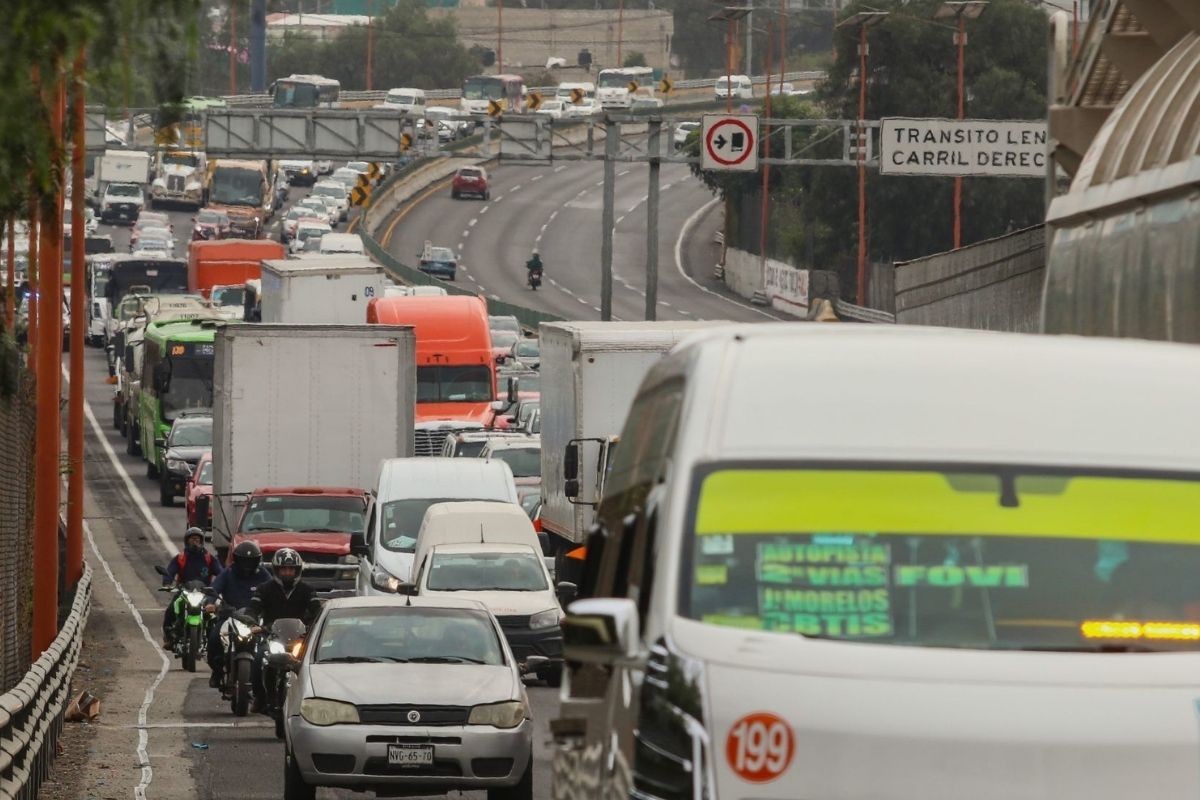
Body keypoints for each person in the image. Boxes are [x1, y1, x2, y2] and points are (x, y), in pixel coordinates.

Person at [205, 541, 271, 688]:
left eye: (251, 561)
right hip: (229, 616)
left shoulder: (263, 575)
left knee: (270, 645)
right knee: (214, 639)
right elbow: (214, 589)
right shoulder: (228, 573)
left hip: (255, 619)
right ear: (236, 559)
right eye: (243, 561)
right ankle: (217, 672)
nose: (247, 565)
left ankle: (265, 680)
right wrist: (209, 603)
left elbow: (273, 590)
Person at [161, 527, 219, 649]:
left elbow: (222, 573)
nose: (195, 542)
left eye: (197, 539)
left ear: (202, 541)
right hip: (184, 591)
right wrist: (167, 582)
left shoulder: (209, 558)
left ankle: (214, 640)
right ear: (187, 541)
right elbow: (170, 571)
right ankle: (169, 637)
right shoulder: (180, 558)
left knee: (216, 614)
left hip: (204, 593)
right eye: (192, 539)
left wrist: (220, 586)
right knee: (171, 610)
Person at [249, 548, 322, 629]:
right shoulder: (263, 589)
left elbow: (318, 612)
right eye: (283, 569)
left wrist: (312, 626)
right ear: (276, 570)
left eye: (291, 569)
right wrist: (251, 622)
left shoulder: (308, 590)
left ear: (297, 570)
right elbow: (252, 610)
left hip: (301, 637)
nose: (287, 573)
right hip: (269, 636)